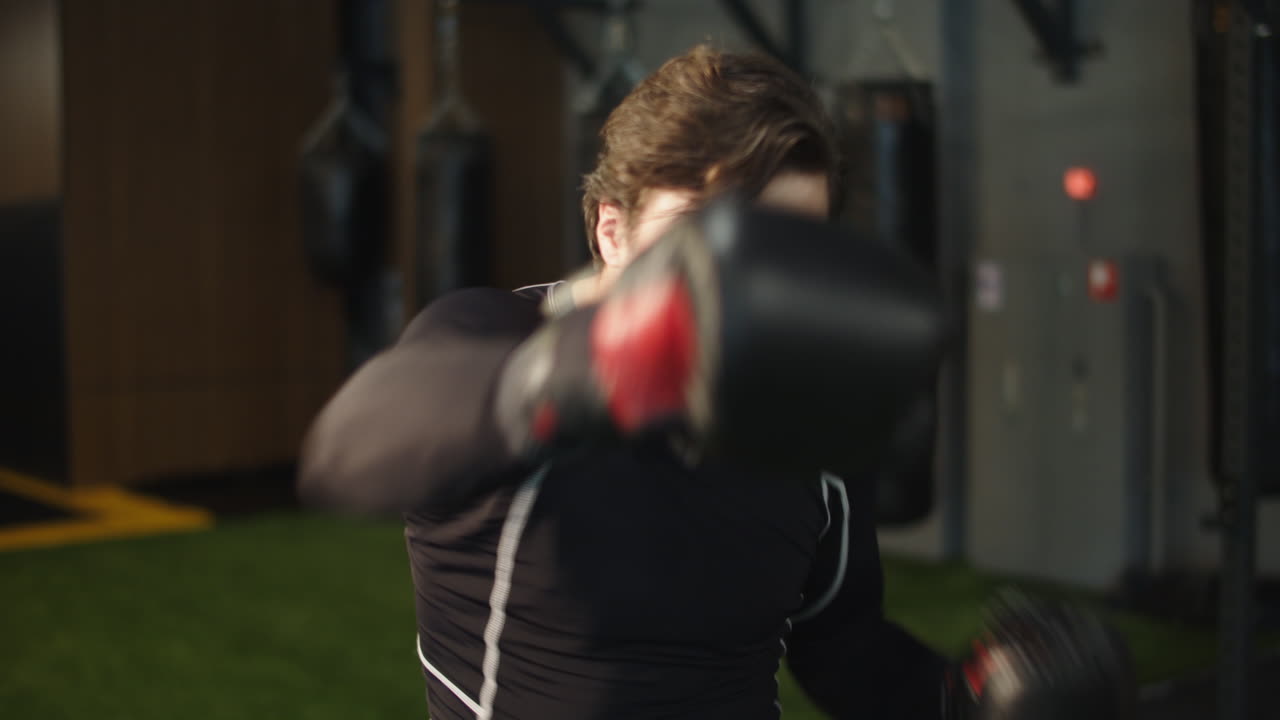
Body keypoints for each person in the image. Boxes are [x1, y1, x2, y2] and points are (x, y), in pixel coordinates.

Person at [299, 45, 1134, 720]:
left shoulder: (804, 415)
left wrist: (962, 700)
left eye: (784, 241)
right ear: (611, 227)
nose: (750, 276)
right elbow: (351, 446)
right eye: (709, 235)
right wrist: (602, 364)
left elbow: (841, 643)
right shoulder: (493, 339)